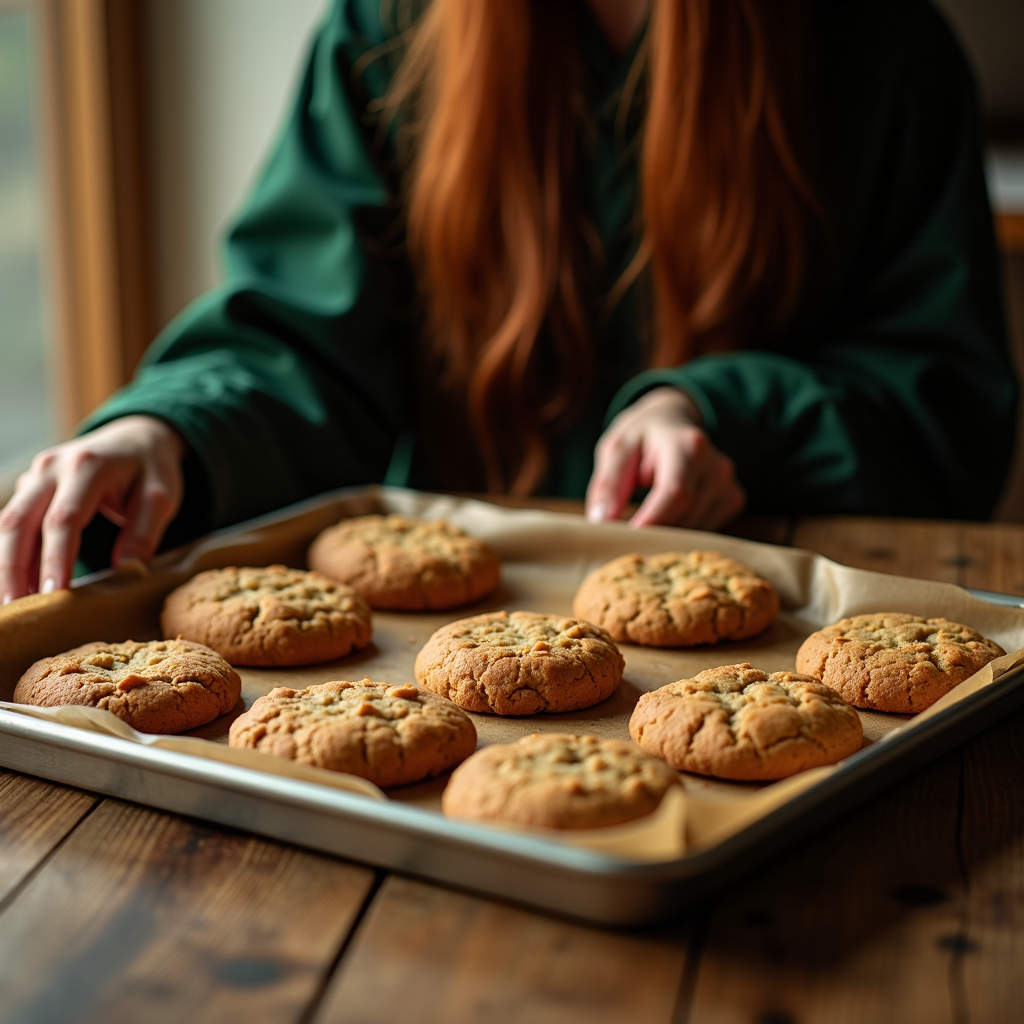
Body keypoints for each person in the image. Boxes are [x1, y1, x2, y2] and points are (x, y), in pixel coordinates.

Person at [0, 0, 1016, 604]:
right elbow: (304, 337)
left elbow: (942, 400)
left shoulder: (880, 44)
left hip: (785, 597)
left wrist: (712, 412)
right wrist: (164, 431)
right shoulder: (391, 26)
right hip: (446, 610)